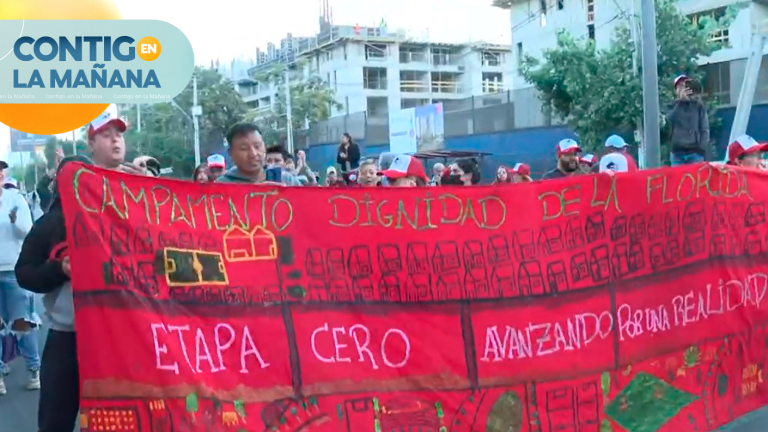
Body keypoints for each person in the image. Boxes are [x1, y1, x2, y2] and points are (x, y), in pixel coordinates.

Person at [16, 154, 92, 432]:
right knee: (55, 419)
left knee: (117, 415)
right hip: (65, 338)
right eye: (71, 175)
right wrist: (59, 269)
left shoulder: (118, 220)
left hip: (114, 338)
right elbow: (24, 274)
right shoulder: (49, 225)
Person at [0, 161, 38, 395]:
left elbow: (27, 230)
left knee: (22, 323)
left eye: (0, 170)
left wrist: (16, 221)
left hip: (14, 270)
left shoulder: (16, 200)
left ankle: (34, 371)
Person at [667, 75, 709, 166]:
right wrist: (680, 102)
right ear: (676, 90)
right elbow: (669, 121)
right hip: (677, 153)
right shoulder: (672, 106)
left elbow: (704, 129)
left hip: (695, 153)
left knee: (696, 179)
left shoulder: (698, 106)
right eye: (680, 86)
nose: (683, 89)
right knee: (678, 179)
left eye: (685, 85)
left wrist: (701, 149)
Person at [86, 110, 143, 175]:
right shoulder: (80, 179)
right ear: (92, 144)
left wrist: (143, 182)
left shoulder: (137, 178)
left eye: (119, 135)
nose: (115, 139)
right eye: (106, 135)